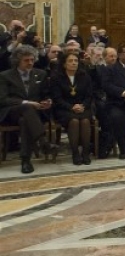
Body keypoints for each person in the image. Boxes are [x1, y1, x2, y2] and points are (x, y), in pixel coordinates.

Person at [0, 45, 58, 173]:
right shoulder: (5, 76)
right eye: (26, 60)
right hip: (11, 113)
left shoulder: (40, 74)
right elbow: (3, 99)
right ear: (17, 61)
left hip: (33, 114)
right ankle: (43, 142)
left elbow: (46, 93)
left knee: (24, 121)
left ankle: (25, 161)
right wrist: (26, 102)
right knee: (26, 108)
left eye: (32, 59)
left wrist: (48, 101)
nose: (30, 63)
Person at [49, 50, 94, 165]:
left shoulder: (85, 76)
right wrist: (71, 107)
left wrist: (83, 105)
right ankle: (75, 153)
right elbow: (57, 98)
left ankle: (85, 152)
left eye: (76, 61)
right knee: (74, 121)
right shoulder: (56, 78)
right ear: (64, 64)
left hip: (83, 107)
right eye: (70, 61)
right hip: (64, 109)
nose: (74, 63)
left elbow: (89, 95)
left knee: (85, 121)